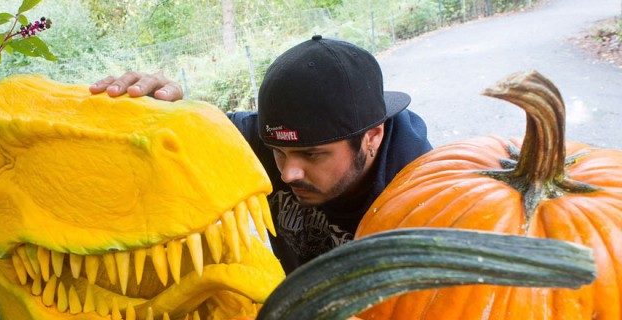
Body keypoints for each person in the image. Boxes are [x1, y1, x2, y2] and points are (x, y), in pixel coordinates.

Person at [90, 35, 433, 273]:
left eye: (312, 155)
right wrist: (157, 108)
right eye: (278, 152)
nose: (288, 173)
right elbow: (191, 131)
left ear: (372, 136)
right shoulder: (257, 140)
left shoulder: (423, 200)